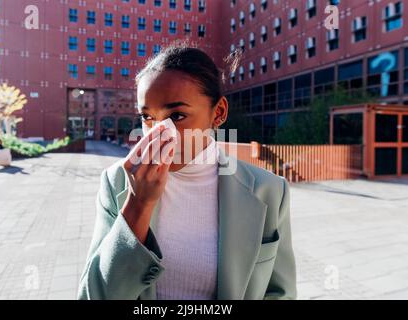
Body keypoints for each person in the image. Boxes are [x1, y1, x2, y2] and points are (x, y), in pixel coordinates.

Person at [77, 42, 297, 300]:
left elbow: (280, 293)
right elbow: (95, 295)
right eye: (147, 118)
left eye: (177, 116)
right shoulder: (117, 182)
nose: (159, 132)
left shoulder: (268, 190)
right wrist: (138, 205)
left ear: (219, 113)